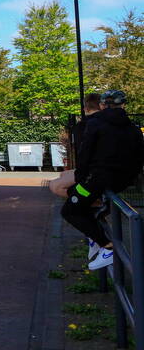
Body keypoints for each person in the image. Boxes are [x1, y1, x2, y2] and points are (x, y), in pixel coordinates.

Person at [61, 89, 144, 270]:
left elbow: (85, 155)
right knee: (77, 198)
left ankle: (106, 247)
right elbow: (139, 159)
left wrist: (82, 178)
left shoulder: (96, 124)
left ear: (102, 105)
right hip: (120, 181)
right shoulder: (134, 128)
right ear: (123, 105)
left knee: (69, 210)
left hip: (97, 180)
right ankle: (96, 234)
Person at [48, 93, 102, 198]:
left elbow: (83, 153)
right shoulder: (106, 122)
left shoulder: (83, 126)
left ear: (85, 108)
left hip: (95, 171)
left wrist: (80, 174)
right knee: (63, 174)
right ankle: (87, 197)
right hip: (102, 169)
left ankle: (89, 199)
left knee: (55, 186)